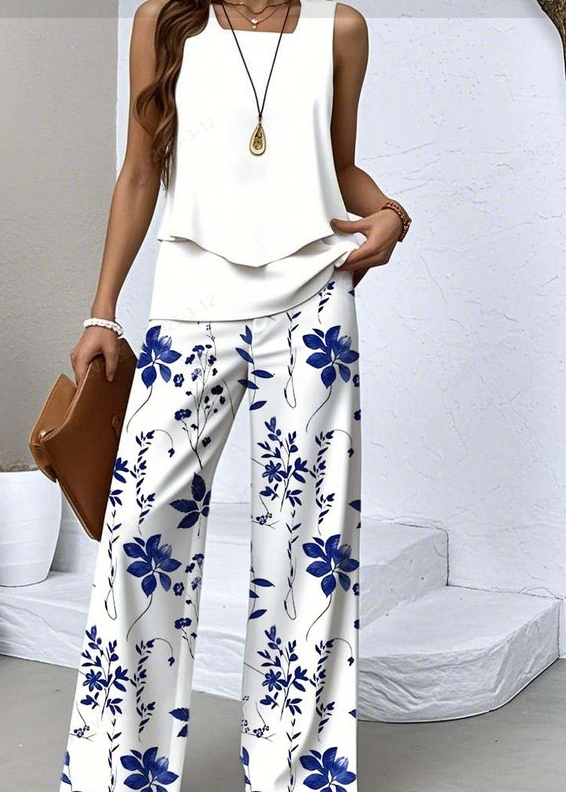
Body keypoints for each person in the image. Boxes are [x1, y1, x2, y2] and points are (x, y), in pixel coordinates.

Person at [61, 1, 411, 790]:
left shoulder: (340, 28)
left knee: (307, 544)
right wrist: (102, 312)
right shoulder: (164, 20)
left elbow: (339, 165)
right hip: (191, 301)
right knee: (138, 533)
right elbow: (140, 171)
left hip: (314, 303)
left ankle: (297, 775)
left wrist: (389, 215)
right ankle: (118, 773)